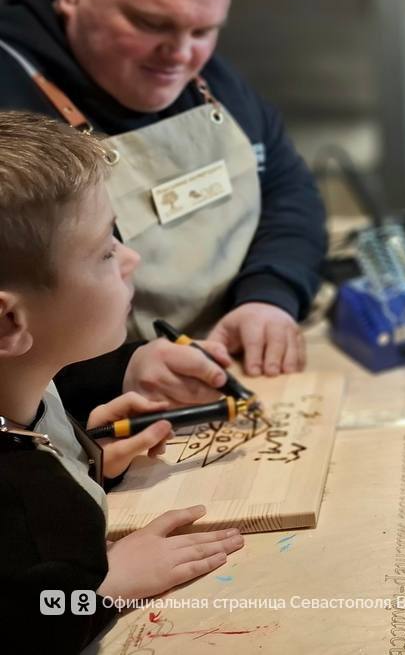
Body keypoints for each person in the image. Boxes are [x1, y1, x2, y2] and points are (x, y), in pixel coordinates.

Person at [0, 0, 327, 420]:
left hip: (232, 374)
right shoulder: (11, 104)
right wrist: (116, 370)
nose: (180, 55)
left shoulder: (210, 78)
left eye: (204, 30)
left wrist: (269, 294)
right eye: (152, 24)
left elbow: (288, 189)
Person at [0, 111, 243, 652]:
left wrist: (85, 459)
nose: (131, 258)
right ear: (8, 323)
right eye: (105, 251)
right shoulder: (21, 509)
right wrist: (110, 586)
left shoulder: (25, 388)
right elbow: (33, 622)